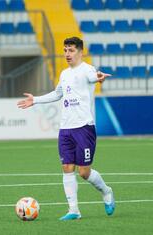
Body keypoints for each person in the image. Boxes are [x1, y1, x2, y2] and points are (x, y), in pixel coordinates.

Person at [17, 37, 114, 221]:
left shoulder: (87, 70)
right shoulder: (64, 74)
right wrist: (35, 100)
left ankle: (107, 191)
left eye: (71, 50)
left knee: (84, 173)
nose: (67, 54)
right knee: (67, 167)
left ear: (80, 52)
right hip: (65, 129)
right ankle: (74, 210)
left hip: (84, 128)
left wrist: (99, 77)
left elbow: (94, 76)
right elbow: (58, 94)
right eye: (65, 50)